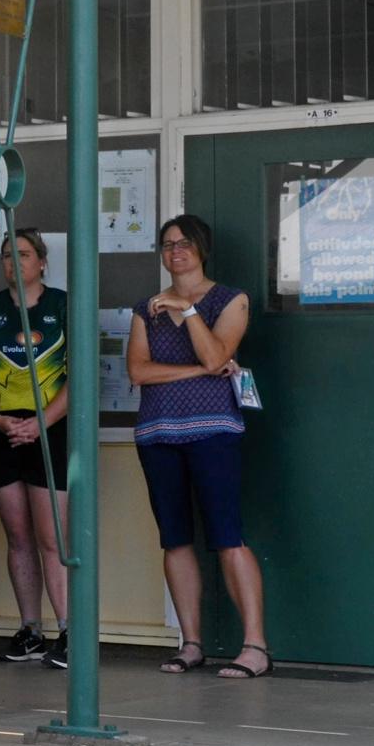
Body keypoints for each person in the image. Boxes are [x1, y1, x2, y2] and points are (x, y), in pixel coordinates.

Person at [129, 213, 267, 678]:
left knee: (228, 535)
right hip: (156, 433)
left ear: (202, 248)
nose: (175, 251)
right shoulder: (145, 308)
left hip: (214, 431)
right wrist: (200, 370)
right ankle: (191, 644)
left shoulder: (230, 300)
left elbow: (216, 354)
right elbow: (139, 372)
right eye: (167, 244)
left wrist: (186, 312)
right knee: (175, 539)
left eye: (184, 242)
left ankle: (255, 646)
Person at [0, 228, 74, 669]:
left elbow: (80, 376)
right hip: (0, 429)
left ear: (43, 262)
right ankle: (31, 629)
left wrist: (39, 425)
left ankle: (70, 632)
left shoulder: (64, 304)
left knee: (53, 538)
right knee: (18, 537)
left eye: (24, 255)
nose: (15, 263)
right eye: (7, 256)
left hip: (51, 428)